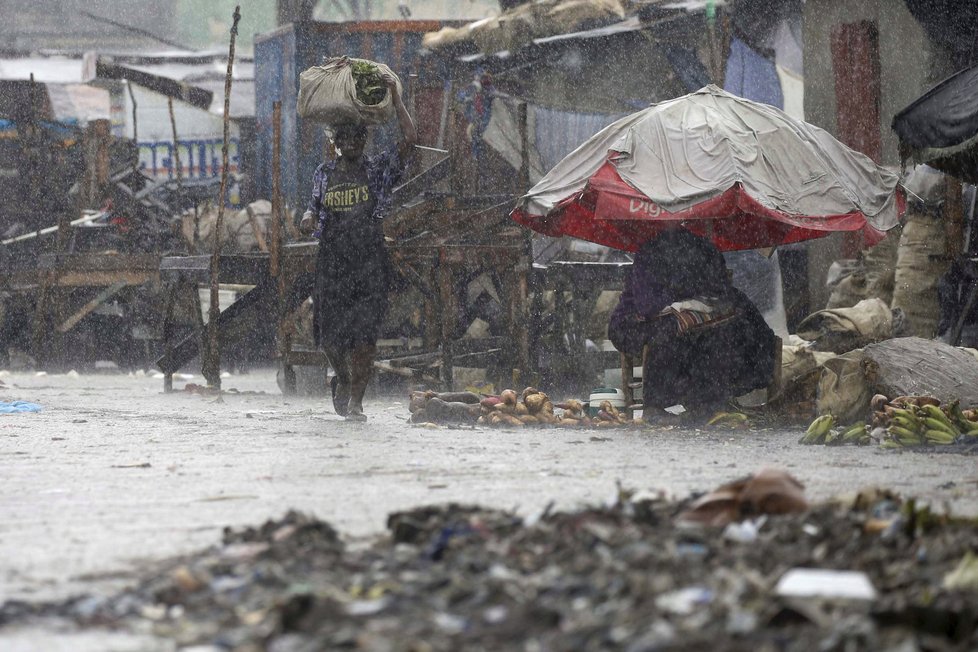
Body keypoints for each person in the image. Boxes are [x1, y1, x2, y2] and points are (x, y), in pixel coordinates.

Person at [299, 69, 417, 421]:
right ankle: (344, 377)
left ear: (365, 139)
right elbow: (314, 206)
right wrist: (307, 219)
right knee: (332, 338)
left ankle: (357, 402)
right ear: (335, 141)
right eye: (344, 136)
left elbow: (410, 139)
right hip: (333, 262)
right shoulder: (324, 173)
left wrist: (396, 98)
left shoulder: (378, 169)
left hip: (369, 261)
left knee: (365, 336)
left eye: (357, 136)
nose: (350, 142)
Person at [608, 227, 776, 421]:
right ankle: (658, 405)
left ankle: (708, 399)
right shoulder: (652, 252)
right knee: (671, 334)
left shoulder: (706, 250)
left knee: (718, 332)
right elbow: (647, 306)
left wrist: (695, 301)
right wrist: (681, 299)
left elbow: (719, 291)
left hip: (688, 322)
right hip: (633, 324)